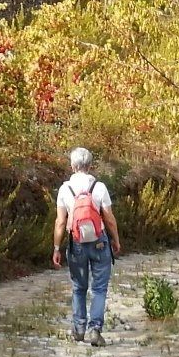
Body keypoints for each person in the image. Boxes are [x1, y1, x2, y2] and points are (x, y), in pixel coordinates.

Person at [52, 147, 121, 346]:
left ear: (72, 166)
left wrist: (57, 248)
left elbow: (60, 221)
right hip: (99, 242)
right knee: (99, 288)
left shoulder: (65, 189)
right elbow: (109, 218)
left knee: (78, 287)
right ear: (90, 166)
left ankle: (79, 327)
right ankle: (95, 330)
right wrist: (115, 240)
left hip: (76, 243)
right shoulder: (99, 187)